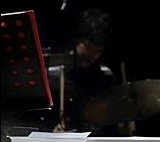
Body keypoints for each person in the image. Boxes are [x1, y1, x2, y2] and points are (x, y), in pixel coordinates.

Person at [48, 7, 133, 135]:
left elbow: (110, 122)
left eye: (98, 51)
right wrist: (50, 133)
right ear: (76, 40)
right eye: (88, 47)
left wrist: (122, 126)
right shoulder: (53, 74)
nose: (93, 55)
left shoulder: (105, 75)